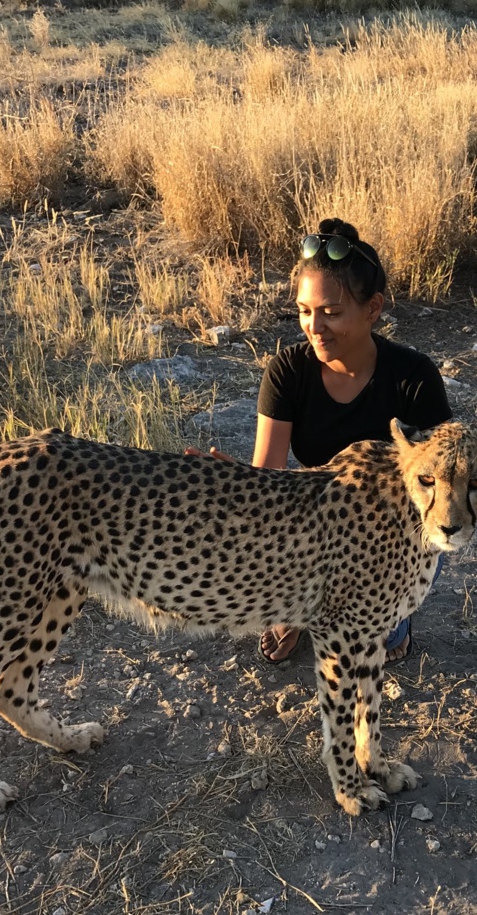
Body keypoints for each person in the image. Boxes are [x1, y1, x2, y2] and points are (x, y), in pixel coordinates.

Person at [191, 218, 452, 663]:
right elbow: (268, 481)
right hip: (313, 520)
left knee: (376, 638)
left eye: (331, 313)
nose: (314, 326)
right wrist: (234, 485)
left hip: (393, 528)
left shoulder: (415, 377)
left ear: (373, 309)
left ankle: (370, 613)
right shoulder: (288, 370)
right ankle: (300, 607)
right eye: (304, 311)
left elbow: (442, 488)